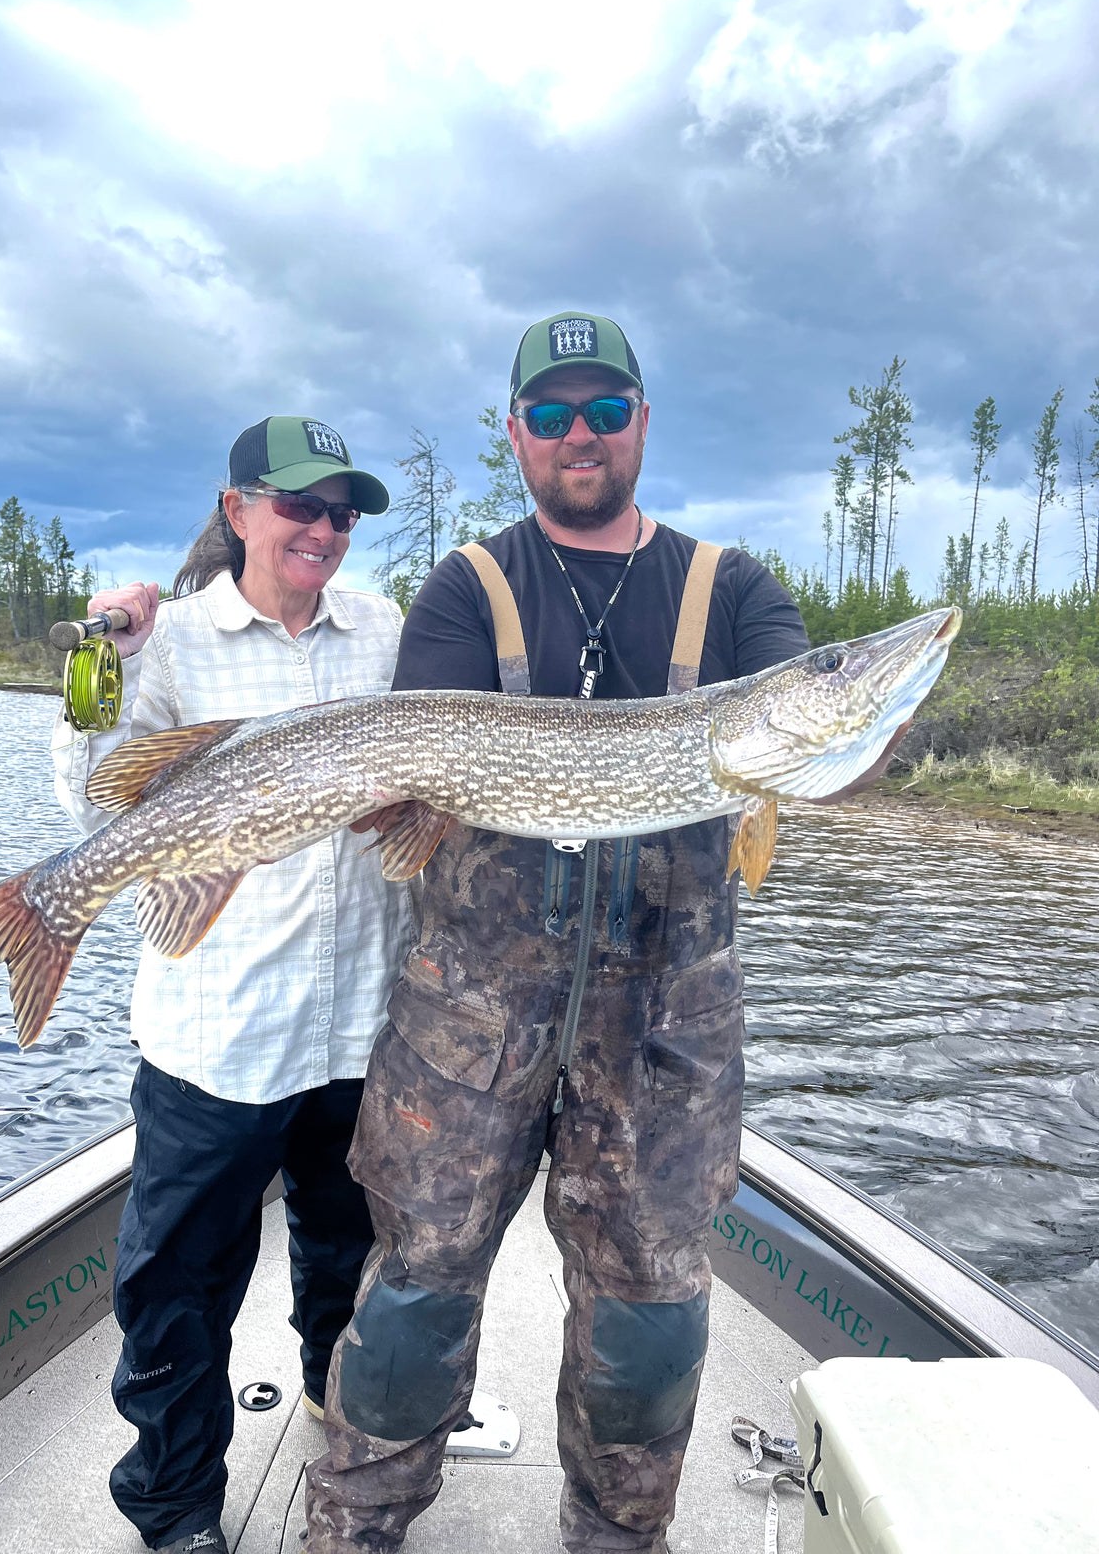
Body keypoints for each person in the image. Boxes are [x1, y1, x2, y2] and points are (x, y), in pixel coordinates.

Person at [304, 314, 896, 1553]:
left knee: (650, 1328)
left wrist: (857, 709)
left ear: (642, 421)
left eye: (606, 410)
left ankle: (618, 1538)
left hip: (666, 1046)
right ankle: (354, 1528)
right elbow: (412, 794)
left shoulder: (733, 592)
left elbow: (812, 744)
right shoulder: (471, 584)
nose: (581, 434)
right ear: (518, 432)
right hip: (465, 1029)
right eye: (554, 414)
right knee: (410, 1305)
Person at [50, 417, 411, 1554]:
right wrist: (99, 651)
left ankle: (329, 1399)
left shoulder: (386, 629)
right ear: (238, 507)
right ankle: (173, 1505)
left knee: (349, 1256)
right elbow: (91, 791)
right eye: (300, 504)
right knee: (180, 1288)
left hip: (360, 1024)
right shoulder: (172, 638)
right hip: (219, 1036)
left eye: (342, 511)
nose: (323, 528)